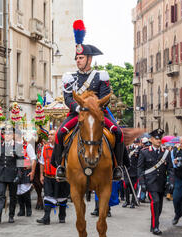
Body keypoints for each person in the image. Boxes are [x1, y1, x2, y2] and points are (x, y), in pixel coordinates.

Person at [51, 20, 124, 182]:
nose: (78, 60)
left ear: (89, 59)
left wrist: (93, 108)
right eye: (77, 58)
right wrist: (77, 108)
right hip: (77, 114)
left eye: (81, 57)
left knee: (118, 132)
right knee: (60, 133)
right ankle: (60, 166)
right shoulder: (70, 77)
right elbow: (68, 98)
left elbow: (105, 96)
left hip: (98, 114)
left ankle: (117, 167)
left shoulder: (100, 76)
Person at [137, 129, 174, 235]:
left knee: (159, 207)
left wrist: (171, 181)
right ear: (151, 139)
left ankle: (154, 223)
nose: (158, 141)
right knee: (155, 202)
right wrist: (142, 183)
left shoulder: (166, 153)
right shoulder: (144, 152)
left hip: (162, 184)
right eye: (156, 139)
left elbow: (171, 169)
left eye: (160, 138)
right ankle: (155, 226)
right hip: (150, 183)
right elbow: (140, 169)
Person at [0, 125, 23, 223]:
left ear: (13, 135)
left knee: (13, 197)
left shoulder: (17, 146)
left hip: (12, 175)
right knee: (1, 195)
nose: (7, 135)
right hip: (1, 174)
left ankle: (11, 215)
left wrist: (18, 175)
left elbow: (20, 163)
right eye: (5, 134)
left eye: (9, 134)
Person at [37, 130, 70, 224]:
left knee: (62, 197)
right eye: (49, 134)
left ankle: (62, 216)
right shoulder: (45, 147)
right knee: (47, 196)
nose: (49, 136)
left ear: (57, 136)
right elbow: (42, 162)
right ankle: (46, 218)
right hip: (48, 177)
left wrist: (64, 175)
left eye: (52, 134)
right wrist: (41, 175)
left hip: (60, 178)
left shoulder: (63, 148)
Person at [16, 130, 37, 217]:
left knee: (25, 191)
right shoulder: (12, 146)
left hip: (25, 171)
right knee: (18, 191)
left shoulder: (27, 146)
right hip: (16, 171)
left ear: (18, 135)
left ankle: (28, 209)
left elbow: (33, 159)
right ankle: (21, 209)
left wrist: (32, 171)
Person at [122, 139, 141, 208]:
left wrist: (138, 148)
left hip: (135, 171)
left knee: (134, 187)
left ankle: (133, 202)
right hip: (127, 171)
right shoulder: (127, 149)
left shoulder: (139, 150)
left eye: (137, 143)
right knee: (126, 185)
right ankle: (127, 201)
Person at [171, 136, 182, 225]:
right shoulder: (175, 151)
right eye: (181, 143)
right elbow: (172, 163)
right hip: (178, 177)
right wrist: (175, 163)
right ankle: (178, 214)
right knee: (176, 199)